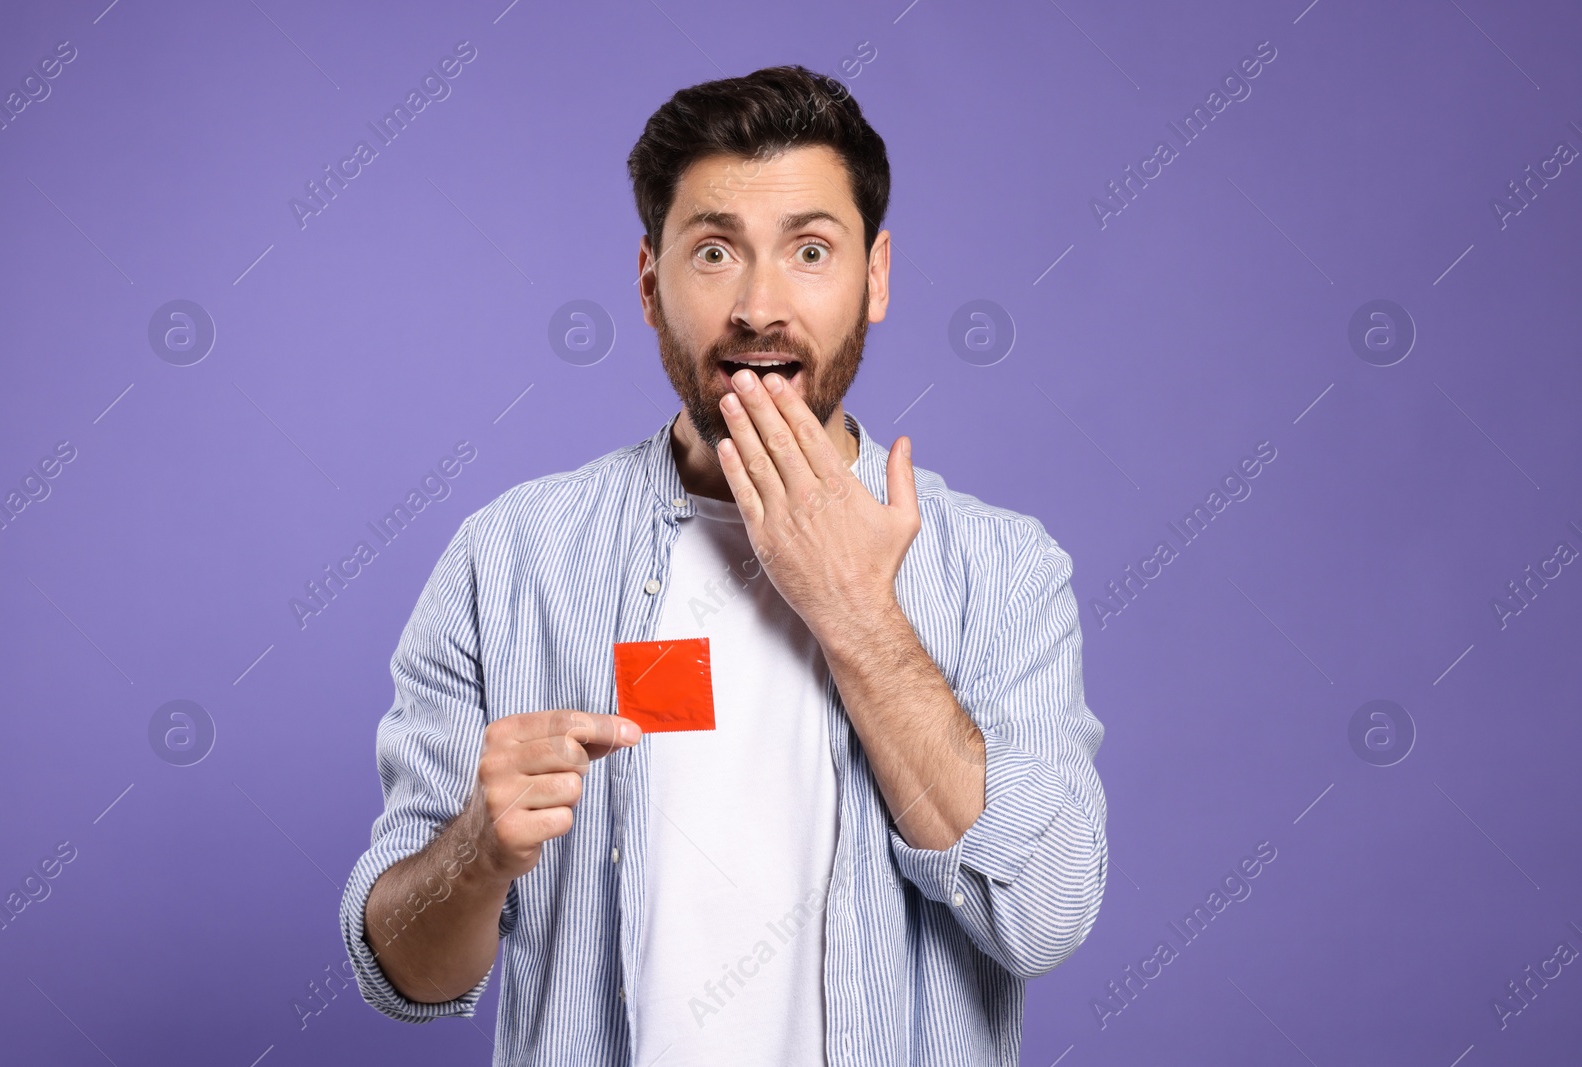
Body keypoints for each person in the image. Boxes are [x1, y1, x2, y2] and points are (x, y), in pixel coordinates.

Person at [339, 64, 1107, 1067]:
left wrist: (855, 613)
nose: (758, 306)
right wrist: (475, 854)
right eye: (713, 251)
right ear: (650, 283)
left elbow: (1044, 912)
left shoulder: (1003, 568)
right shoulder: (511, 557)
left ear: (874, 277)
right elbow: (400, 974)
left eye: (810, 250)